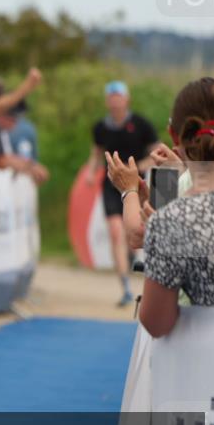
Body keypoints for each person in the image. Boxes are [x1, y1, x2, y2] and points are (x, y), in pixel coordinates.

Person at [138, 77, 214, 337]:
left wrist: (129, 193)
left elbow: (157, 323)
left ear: (174, 135)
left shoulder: (173, 221)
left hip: (205, 356)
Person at [84, 81, 160, 306]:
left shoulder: (141, 124)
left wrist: (136, 168)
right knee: (116, 231)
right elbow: (96, 153)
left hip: (136, 185)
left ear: (127, 99)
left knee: (132, 233)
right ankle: (125, 287)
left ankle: (132, 259)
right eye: (112, 98)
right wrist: (91, 172)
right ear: (107, 101)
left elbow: (157, 152)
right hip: (111, 185)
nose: (115, 102)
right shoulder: (100, 127)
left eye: (119, 97)